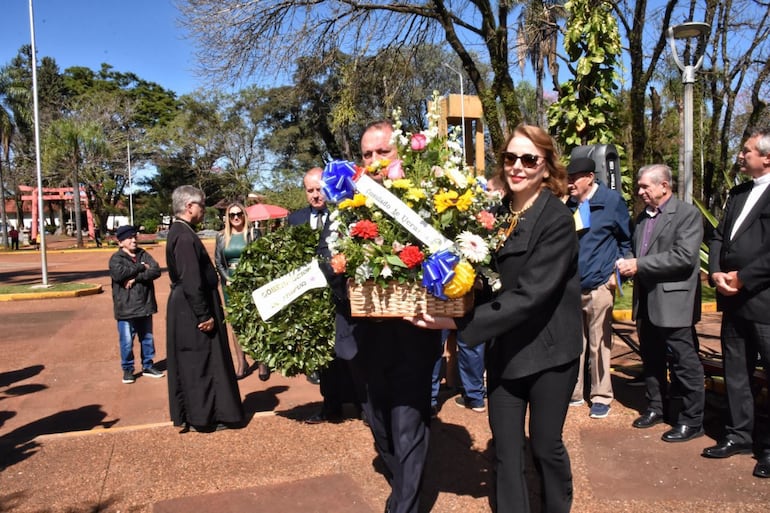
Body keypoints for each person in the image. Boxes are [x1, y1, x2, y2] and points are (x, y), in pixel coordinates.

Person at [410, 124, 582, 513]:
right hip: (506, 349)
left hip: (550, 353)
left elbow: (532, 295)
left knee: (543, 444)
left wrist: (459, 323)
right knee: (505, 450)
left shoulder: (555, 220)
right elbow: (487, 278)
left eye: (528, 159)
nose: (517, 166)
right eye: (510, 158)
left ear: (546, 166)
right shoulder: (497, 214)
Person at [348, 120, 442, 513]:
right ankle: (404, 484)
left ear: (399, 153)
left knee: (407, 427)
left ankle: (404, 506)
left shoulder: (425, 198)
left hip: (413, 333)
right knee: (380, 426)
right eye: (366, 154)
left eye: (381, 152)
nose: (373, 161)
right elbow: (327, 259)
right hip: (364, 336)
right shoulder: (346, 204)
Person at [617, 164, 705, 442]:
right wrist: (626, 260)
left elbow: (683, 257)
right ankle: (657, 407)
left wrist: (638, 264)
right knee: (652, 359)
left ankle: (692, 421)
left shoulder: (687, 215)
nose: (640, 191)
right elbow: (636, 247)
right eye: (640, 186)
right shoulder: (642, 218)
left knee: (684, 362)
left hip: (674, 301)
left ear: (664, 186)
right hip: (646, 300)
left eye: (645, 186)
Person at [704, 127, 770, 479]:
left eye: (747, 150)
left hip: (763, 301)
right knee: (736, 372)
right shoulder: (739, 192)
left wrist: (743, 277)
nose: (741, 154)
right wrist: (716, 271)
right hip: (732, 301)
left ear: (767, 157)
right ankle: (739, 435)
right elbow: (718, 236)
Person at [166, 185, 245, 433]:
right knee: (200, 363)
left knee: (200, 361)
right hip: (192, 309)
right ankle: (205, 416)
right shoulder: (184, 236)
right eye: (201, 205)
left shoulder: (182, 232)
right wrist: (204, 314)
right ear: (190, 207)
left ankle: (206, 412)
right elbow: (191, 279)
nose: (203, 210)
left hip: (189, 305)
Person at [566, 157, 632, 419]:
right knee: (574, 342)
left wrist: (618, 275)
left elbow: (626, 240)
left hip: (600, 284)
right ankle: (574, 392)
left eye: (574, 178)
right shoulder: (569, 204)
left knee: (599, 344)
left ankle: (601, 396)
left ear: (590, 177)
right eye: (568, 178)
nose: (570, 183)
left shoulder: (611, 201)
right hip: (571, 287)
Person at [215, 201, 270, 381]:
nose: (236, 218)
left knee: (255, 321)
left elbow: (262, 258)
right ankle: (241, 363)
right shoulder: (222, 237)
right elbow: (219, 262)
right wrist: (227, 278)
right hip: (230, 284)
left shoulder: (253, 234)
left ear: (244, 216)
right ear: (228, 218)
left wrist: (252, 279)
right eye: (232, 215)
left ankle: (262, 362)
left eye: (239, 214)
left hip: (251, 283)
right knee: (236, 325)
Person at [108, 225, 164, 384]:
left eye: (134, 237)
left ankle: (148, 365)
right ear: (120, 242)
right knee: (126, 341)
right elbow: (119, 274)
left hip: (145, 304)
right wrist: (140, 267)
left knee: (147, 338)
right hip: (125, 307)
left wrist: (137, 278)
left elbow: (156, 270)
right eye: (129, 238)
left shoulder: (143, 254)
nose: (133, 240)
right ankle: (128, 369)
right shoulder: (116, 259)